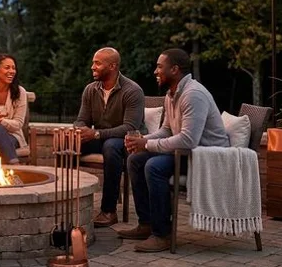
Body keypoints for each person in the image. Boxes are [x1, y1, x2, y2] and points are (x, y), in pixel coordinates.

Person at [120, 48, 229, 252]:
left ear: (175, 69)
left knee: (154, 166)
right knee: (135, 160)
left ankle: (162, 234)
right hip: (187, 155)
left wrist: (147, 145)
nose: (155, 71)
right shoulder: (172, 94)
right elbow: (167, 130)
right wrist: (142, 140)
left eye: (160, 67)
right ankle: (147, 224)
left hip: (206, 157)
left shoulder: (193, 95)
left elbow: (188, 140)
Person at [73, 47, 145, 227]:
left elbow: (130, 127)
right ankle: (65, 201)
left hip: (127, 141)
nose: (92, 67)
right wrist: (79, 131)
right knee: (67, 144)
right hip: (100, 138)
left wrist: (96, 133)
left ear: (112, 66)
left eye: (97, 63)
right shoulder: (91, 90)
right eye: (93, 63)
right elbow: (81, 120)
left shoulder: (132, 90)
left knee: (111, 146)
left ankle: (109, 211)